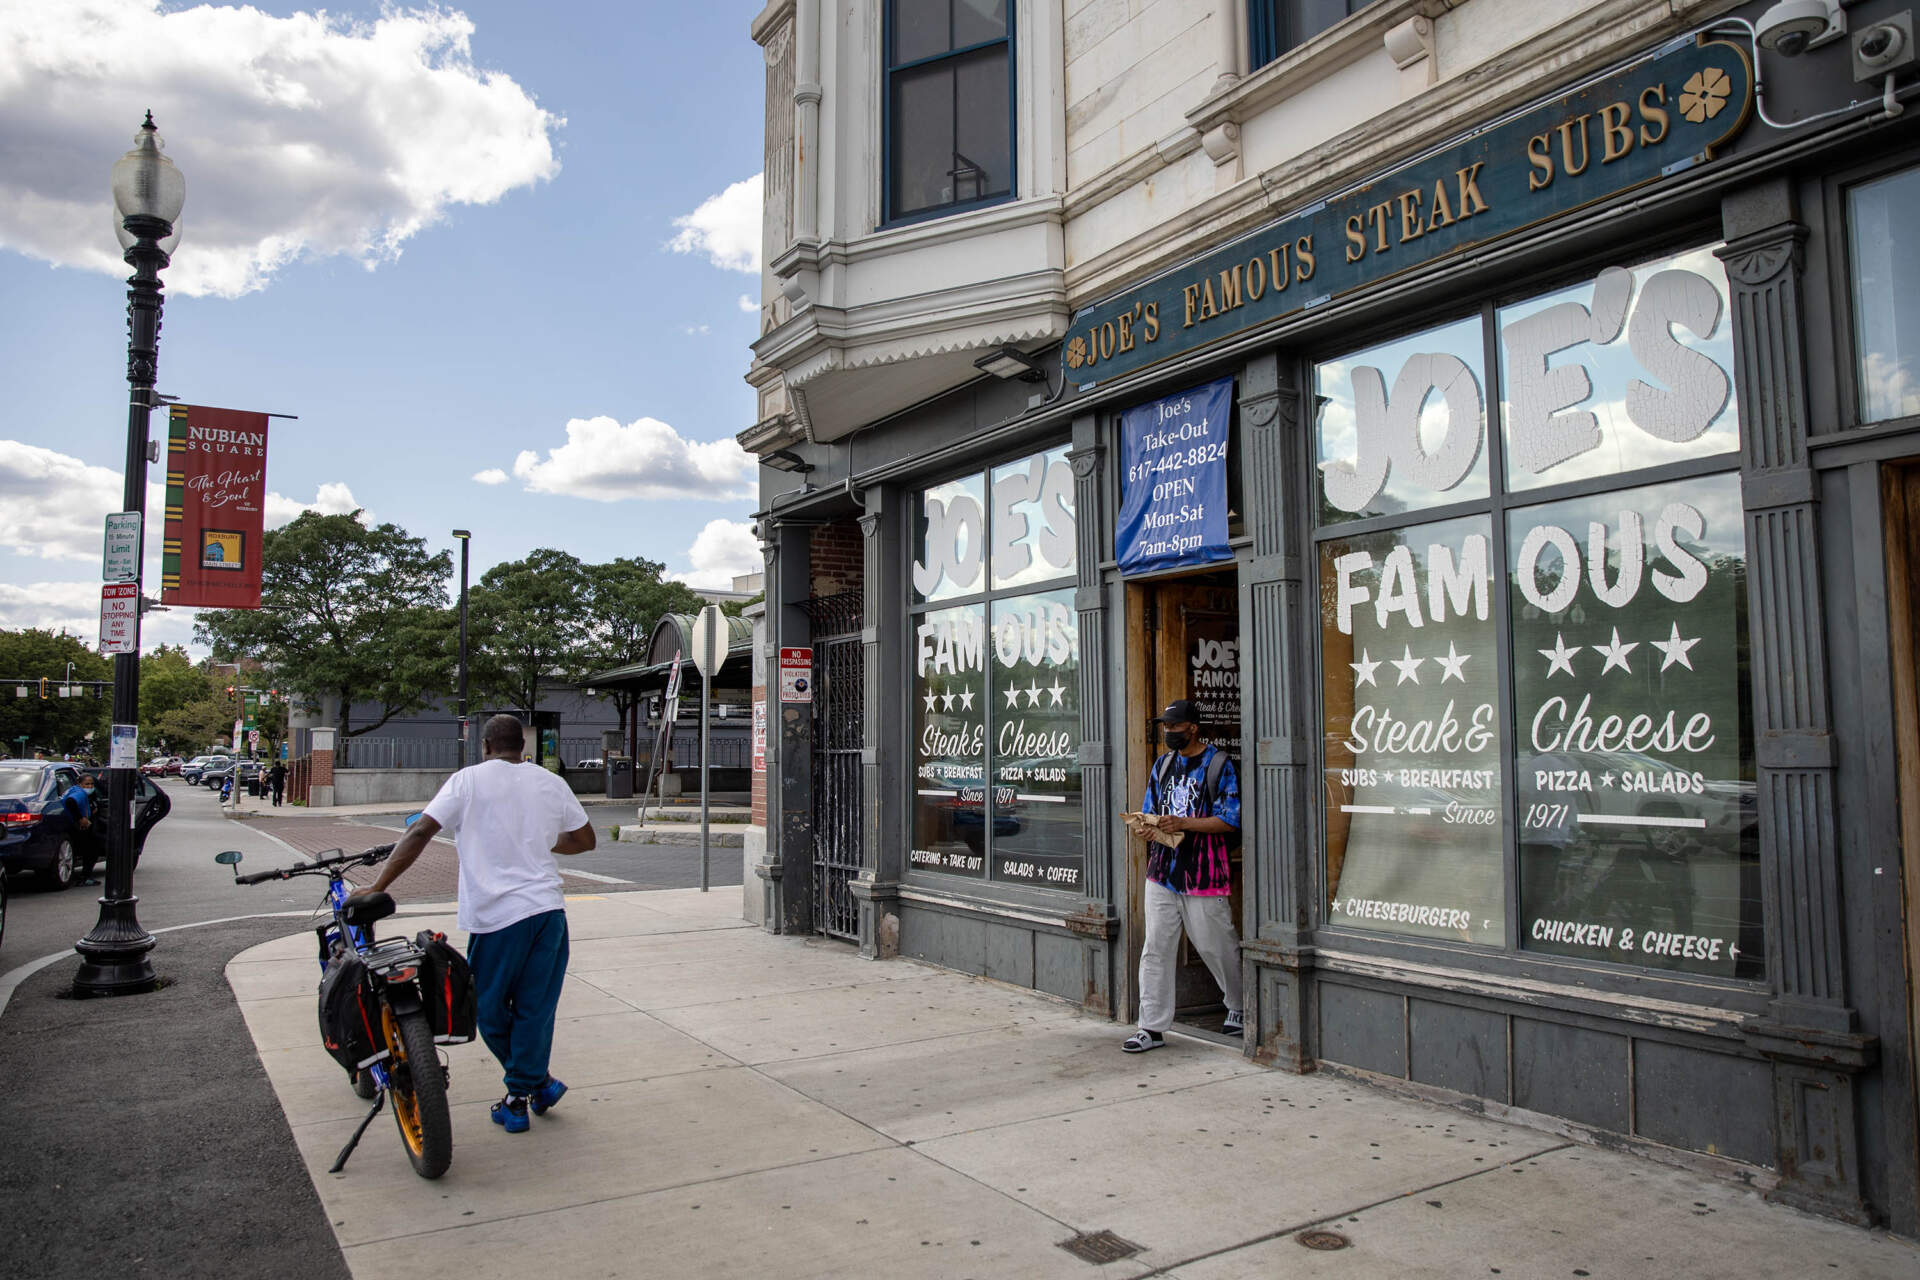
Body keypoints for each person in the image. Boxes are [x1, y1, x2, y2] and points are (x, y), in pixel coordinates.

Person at [354, 714, 596, 1134]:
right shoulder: (549, 782)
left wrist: (377, 883)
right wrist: (536, 839)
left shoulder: (466, 781)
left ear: (485, 746)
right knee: (535, 1010)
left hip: (498, 918)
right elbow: (585, 840)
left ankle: (520, 1095)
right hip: (548, 913)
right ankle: (534, 1086)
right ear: (523, 746)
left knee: (486, 1008)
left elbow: (418, 834)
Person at [1123, 699, 1243, 1053]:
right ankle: (1151, 1027)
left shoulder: (1219, 764)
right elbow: (1151, 811)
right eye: (1166, 727)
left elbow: (1231, 819)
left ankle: (1238, 1006)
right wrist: (1147, 828)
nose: (1169, 733)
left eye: (1175, 727)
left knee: (1215, 945)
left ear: (1193, 726)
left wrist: (1185, 823)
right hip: (1162, 872)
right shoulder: (1162, 766)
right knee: (1155, 948)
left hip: (1204, 872)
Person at [62, 773, 102, 885]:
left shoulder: (76, 791)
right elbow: (70, 802)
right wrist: (81, 818)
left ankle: (83, 876)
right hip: (78, 827)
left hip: (73, 827)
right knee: (92, 850)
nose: (90, 787)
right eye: (87, 784)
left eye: (92, 784)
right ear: (80, 784)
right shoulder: (79, 793)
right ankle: (85, 877)